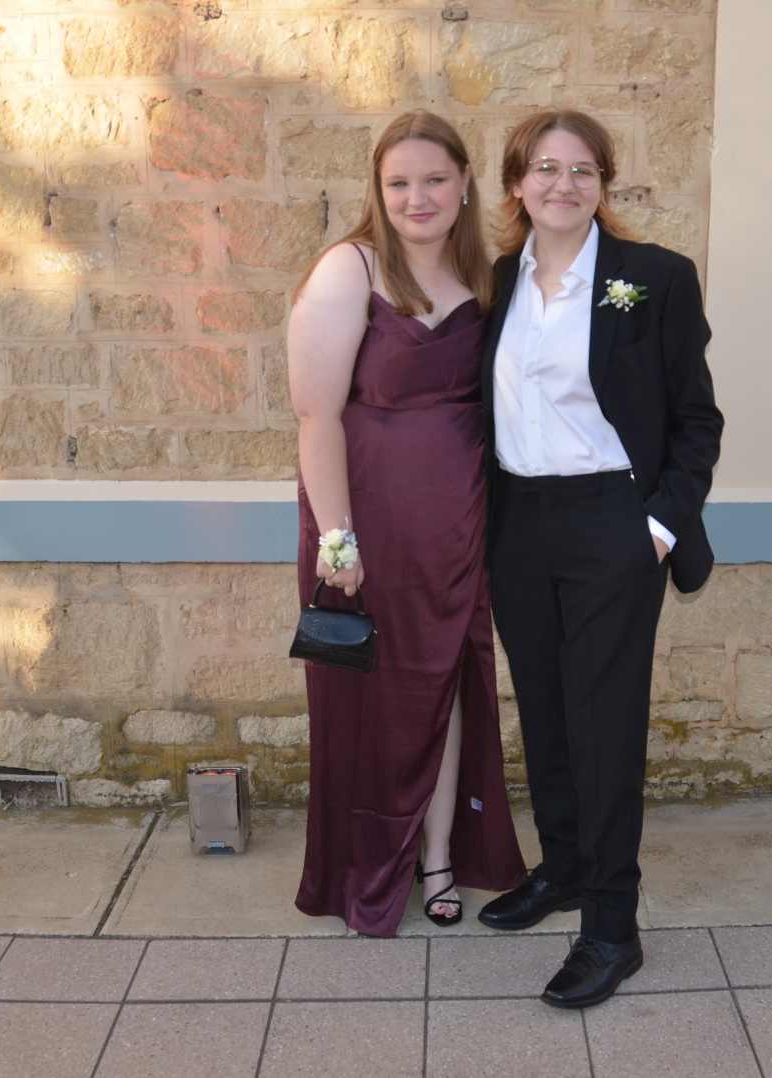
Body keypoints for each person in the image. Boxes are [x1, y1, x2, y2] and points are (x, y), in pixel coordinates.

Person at [477, 110, 724, 1007]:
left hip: (612, 523)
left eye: (583, 170)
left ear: (603, 186)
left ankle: (613, 927)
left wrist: (656, 528)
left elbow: (697, 420)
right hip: (518, 521)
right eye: (545, 168)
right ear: (517, 184)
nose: (564, 184)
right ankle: (567, 866)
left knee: (605, 723)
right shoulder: (497, 281)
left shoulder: (654, 278)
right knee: (545, 707)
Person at [287, 110, 527, 938]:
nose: (416, 198)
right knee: (371, 693)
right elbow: (316, 416)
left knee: (444, 685)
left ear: (465, 184)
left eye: (433, 180)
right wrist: (337, 538)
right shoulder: (348, 270)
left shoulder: (487, 276)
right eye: (398, 183)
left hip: (458, 526)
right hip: (364, 524)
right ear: (377, 190)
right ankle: (367, 861)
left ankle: (438, 856)